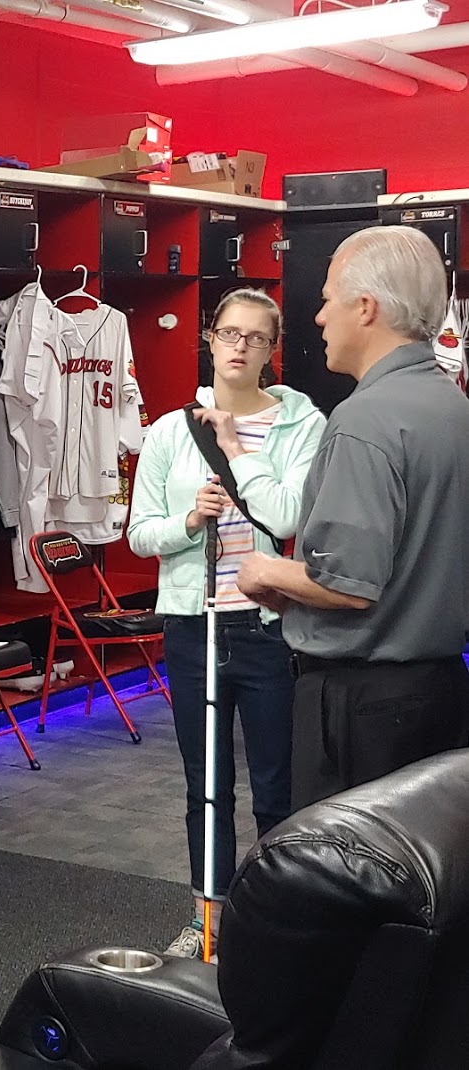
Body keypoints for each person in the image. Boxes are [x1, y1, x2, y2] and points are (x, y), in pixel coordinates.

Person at [237, 225, 469, 806]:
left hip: (363, 709)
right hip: (439, 690)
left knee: (346, 881)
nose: (318, 317)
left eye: (327, 298)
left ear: (365, 308)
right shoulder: (452, 405)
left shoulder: (364, 420)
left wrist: (266, 573)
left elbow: (347, 585)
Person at [127, 288, 325, 961]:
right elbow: (137, 536)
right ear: (208, 340)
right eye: (227, 334)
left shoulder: (304, 425)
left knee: (276, 785)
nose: (238, 347)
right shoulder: (165, 432)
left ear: (271, 350)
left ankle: (274, 916)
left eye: (254, 337)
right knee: (204, 785)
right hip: (194, 625)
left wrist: (240, 450)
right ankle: (206, 918)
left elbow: (291, 515)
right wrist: (188, 524)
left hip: (271, 627)